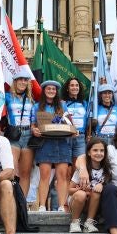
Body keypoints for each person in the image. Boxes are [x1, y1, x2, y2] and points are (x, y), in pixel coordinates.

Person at [32, 80, 76, 211]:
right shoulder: (37, 106)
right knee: (44, 175)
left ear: (56, 91)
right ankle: (42, 206)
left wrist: (74, 130)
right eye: (48, 89)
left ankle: (62, 206)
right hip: (45, 143)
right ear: (44, 90)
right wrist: (34, 130)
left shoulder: (63, 105)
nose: (51, 91)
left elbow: (69, 122)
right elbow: (33, 124)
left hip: (62, 143)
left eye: (54, 89)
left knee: (62, 176)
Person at [68, 137, 111, 233]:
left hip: (93, 204)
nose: (99, 153)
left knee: (96, 192)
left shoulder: (106, 170)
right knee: (81, 194)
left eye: (102, 150)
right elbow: (69, 190)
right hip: (77, 202)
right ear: (88, 152)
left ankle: (89, 223)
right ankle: (74, 222)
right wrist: (81, 190)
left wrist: (102, 186)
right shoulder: (82, 170)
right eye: (95, 150)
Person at [4, 74, 36, 202]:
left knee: (25, 172)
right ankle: (11, 200)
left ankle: (21, 202)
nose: (23, 82)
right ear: (15, 82)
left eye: (25, 80)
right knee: (12, 170)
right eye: (20, 80)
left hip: (28, 135)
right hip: (13, 135)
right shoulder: (7, 96)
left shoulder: (31, 99)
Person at [62, 78, 89, 160]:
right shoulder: (62, 103)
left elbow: (88, 121)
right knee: (66, 167)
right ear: (67, 88)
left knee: (79, 167)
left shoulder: (84, 103)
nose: (75, 87)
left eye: (77, 85)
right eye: (72, 85)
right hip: (65, 137)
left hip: (80, 137)